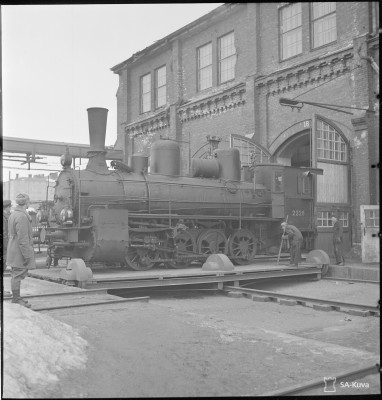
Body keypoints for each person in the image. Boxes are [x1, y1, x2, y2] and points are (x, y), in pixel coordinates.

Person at [7, 193, 36, 308]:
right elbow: (23, 239)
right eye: (29, 201)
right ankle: (16, 298)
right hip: (19, 250)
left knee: (15, 273)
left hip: (13, 247)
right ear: (26, 202)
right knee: (17, 274)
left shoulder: (14, 214)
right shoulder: (22, 216)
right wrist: (27, 255)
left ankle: (16, 297)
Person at [2, 200, 13, 298]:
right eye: (9, 208)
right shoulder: (3, 218)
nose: (10, 210)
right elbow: (4, 234)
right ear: (7, 207)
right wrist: (7, 248)